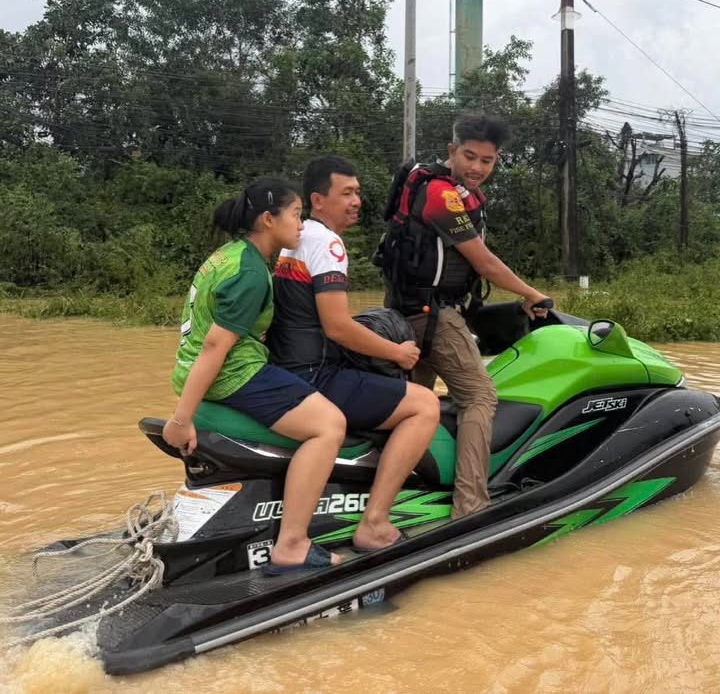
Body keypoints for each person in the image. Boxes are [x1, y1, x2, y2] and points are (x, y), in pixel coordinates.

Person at [163, 177, 347, 574]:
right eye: (296, 215)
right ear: (268, 219)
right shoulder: (249, 271)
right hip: (234, 374)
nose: (302, 225)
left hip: (200, 370)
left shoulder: (228, 255)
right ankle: (293, 544)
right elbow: (216, 346)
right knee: (330, 425)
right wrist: (181, 419)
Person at [379, 113, 551, 519]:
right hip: (432, 318)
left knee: (415, 404)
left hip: (407, 313)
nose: (477, 168)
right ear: (452, 151)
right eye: (470, 156)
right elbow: (485, 263)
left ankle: (395, 495)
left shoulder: (441, 189)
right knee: (480, 396)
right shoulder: (442, 196)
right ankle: (470, 507)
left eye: (487, 161)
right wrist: (531, 293)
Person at [269, 157, 440, 552]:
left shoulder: (296, 239)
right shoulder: (327, 243)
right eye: (346, 193)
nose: (356, 201)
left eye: (358, 192)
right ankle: (375, 522)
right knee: (425, 405)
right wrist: (397, 353)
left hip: (290, 369)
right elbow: (338, 326)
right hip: (316, 376)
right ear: (318, 199)